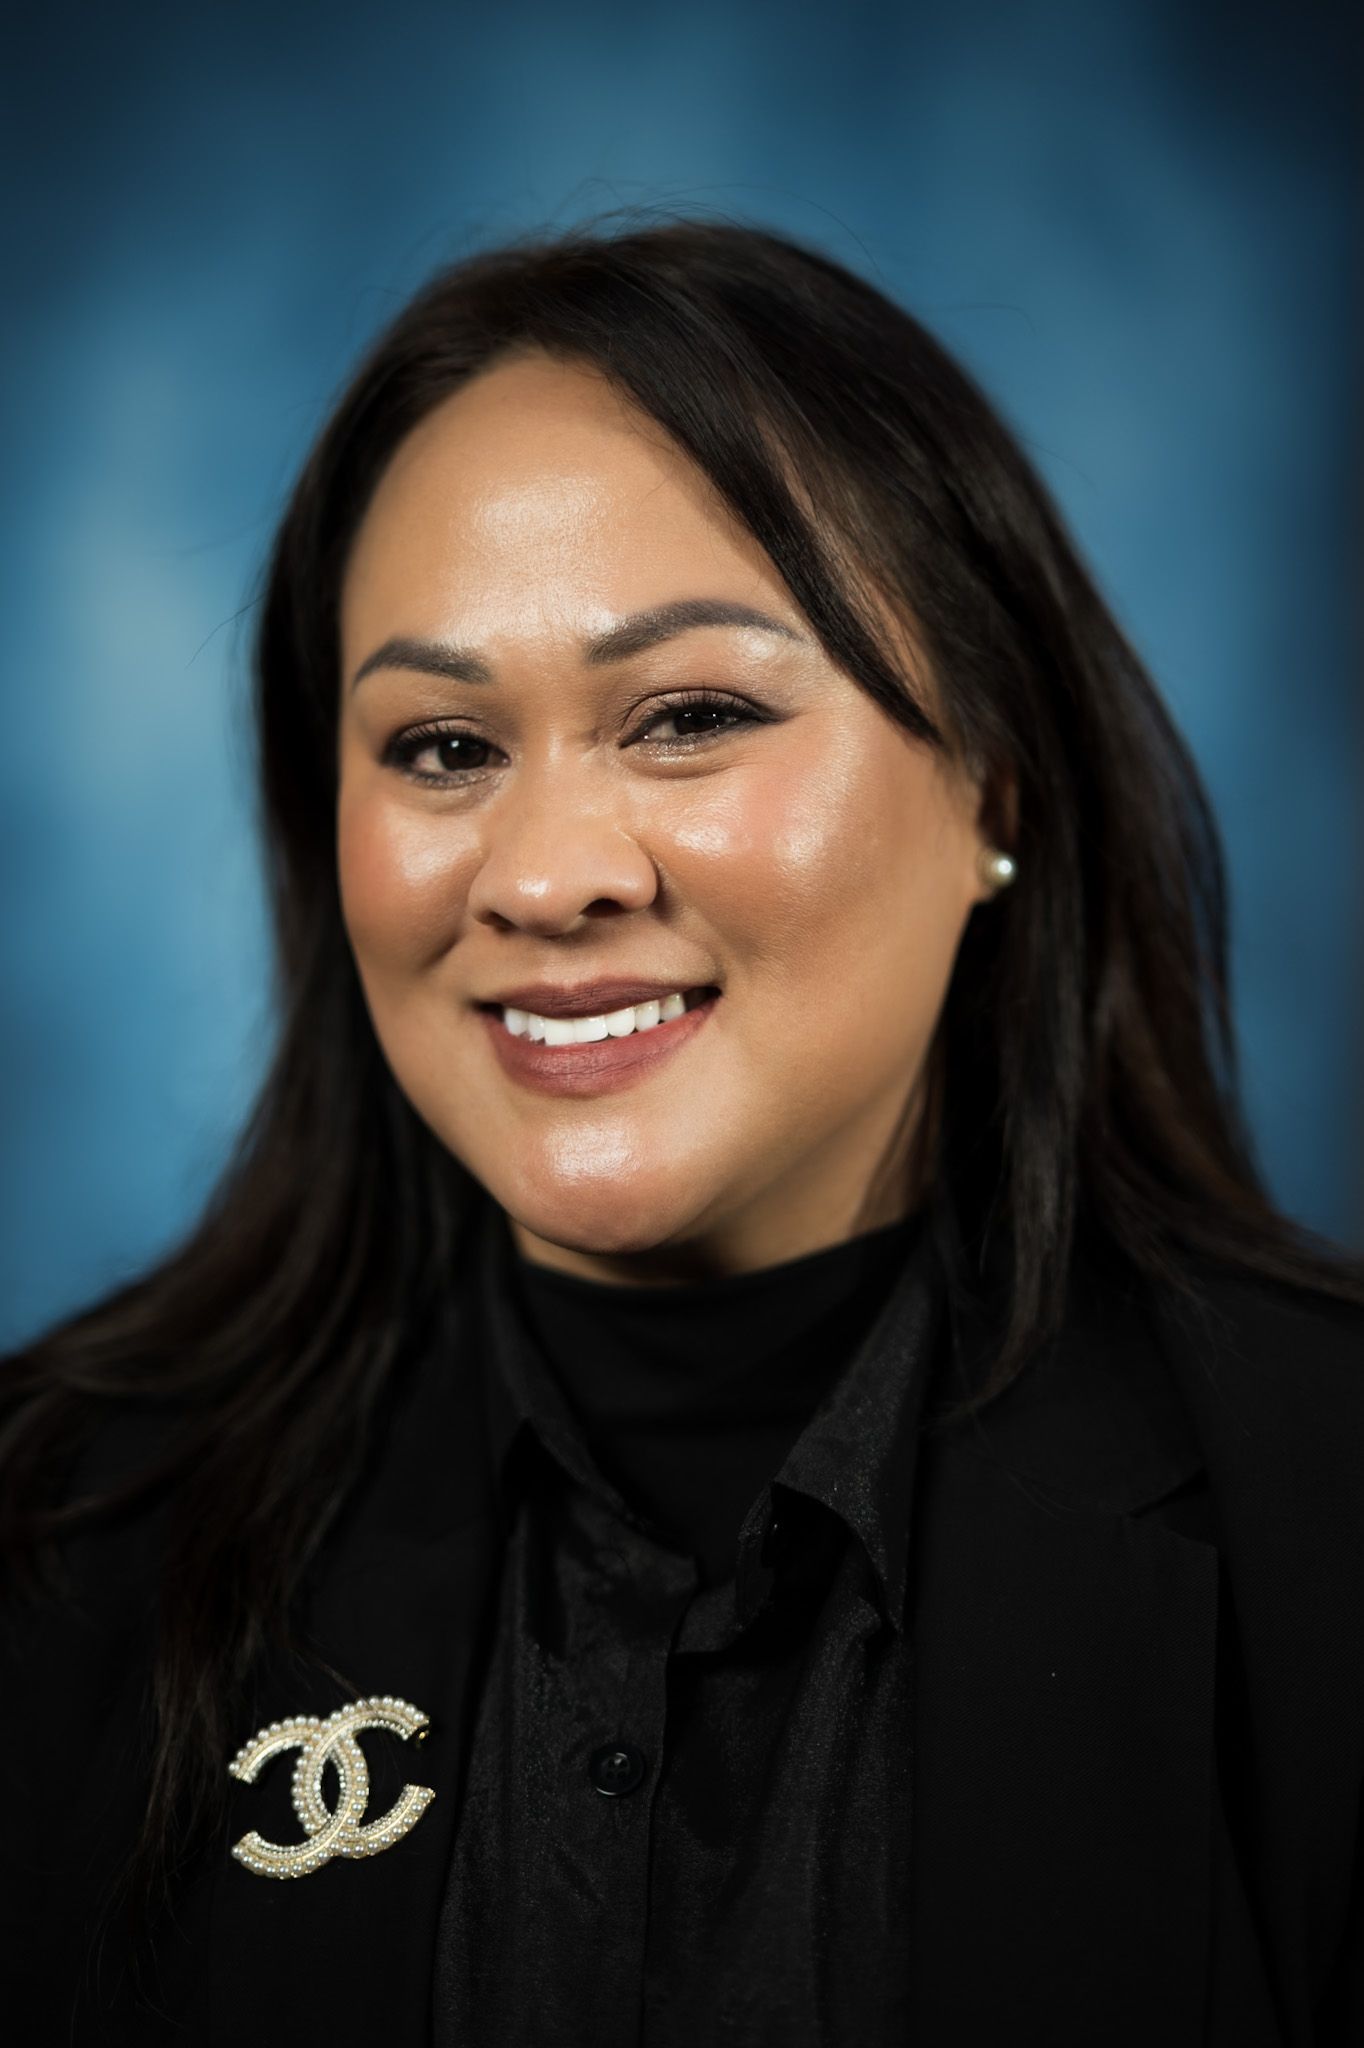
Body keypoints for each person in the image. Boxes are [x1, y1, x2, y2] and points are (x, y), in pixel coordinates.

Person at [2, 213, 1361, 2048]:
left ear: (996, 790)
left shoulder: (1327, 1518)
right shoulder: (48, 1535)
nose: (549, 875)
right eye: (441, 747)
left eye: (692, 715)